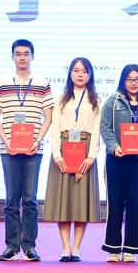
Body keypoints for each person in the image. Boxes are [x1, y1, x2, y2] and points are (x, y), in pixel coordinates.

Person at [0, 39, 54, 262]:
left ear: (32, 57)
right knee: (11, 200)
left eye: (26, 53)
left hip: (33, 150)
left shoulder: (42, 83)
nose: (22, 57)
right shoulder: (1, 84)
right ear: (12, 57)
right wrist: (6, 140)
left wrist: (37, 140)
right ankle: (11, 246)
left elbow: (48, 117)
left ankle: (29, 246)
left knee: (30, 199)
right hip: (8, 149)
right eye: (18, 54)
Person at [43, 57, 103, 261]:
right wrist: (56, 153)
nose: (80, 74)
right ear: (70, 73)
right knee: (64, 202)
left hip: (85, 151)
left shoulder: (96, 100)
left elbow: (97, 130)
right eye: (76, 70)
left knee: (80, 202)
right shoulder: (61, 99)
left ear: (90, 75)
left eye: (84, 71)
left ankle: (76, 248)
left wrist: (91, 156)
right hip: (63, 151)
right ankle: (65, 247)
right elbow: (55, 127)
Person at [100, 64, 138, 262]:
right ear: (123, 81)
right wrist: (114, 147)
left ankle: (132, 248)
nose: (133, 83)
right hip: (117, 158)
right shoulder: (112, 101)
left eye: (137, 79)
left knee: (136, 203)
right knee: (115, 203)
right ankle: (113, 248)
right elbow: (105, 128)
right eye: (129, 79)